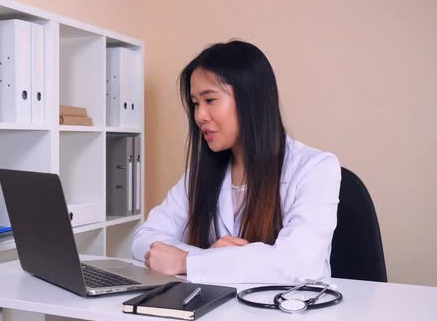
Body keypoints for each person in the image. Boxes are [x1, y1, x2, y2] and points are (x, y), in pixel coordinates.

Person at [131, 40, 341, 284]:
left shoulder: (316, 168)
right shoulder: (201, 174)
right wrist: (208, 258)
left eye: (210, 100)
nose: (199, 116)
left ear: (250, 99)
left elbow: (298, 263)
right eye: (195, 103)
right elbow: (144, 238)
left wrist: (187, 262)